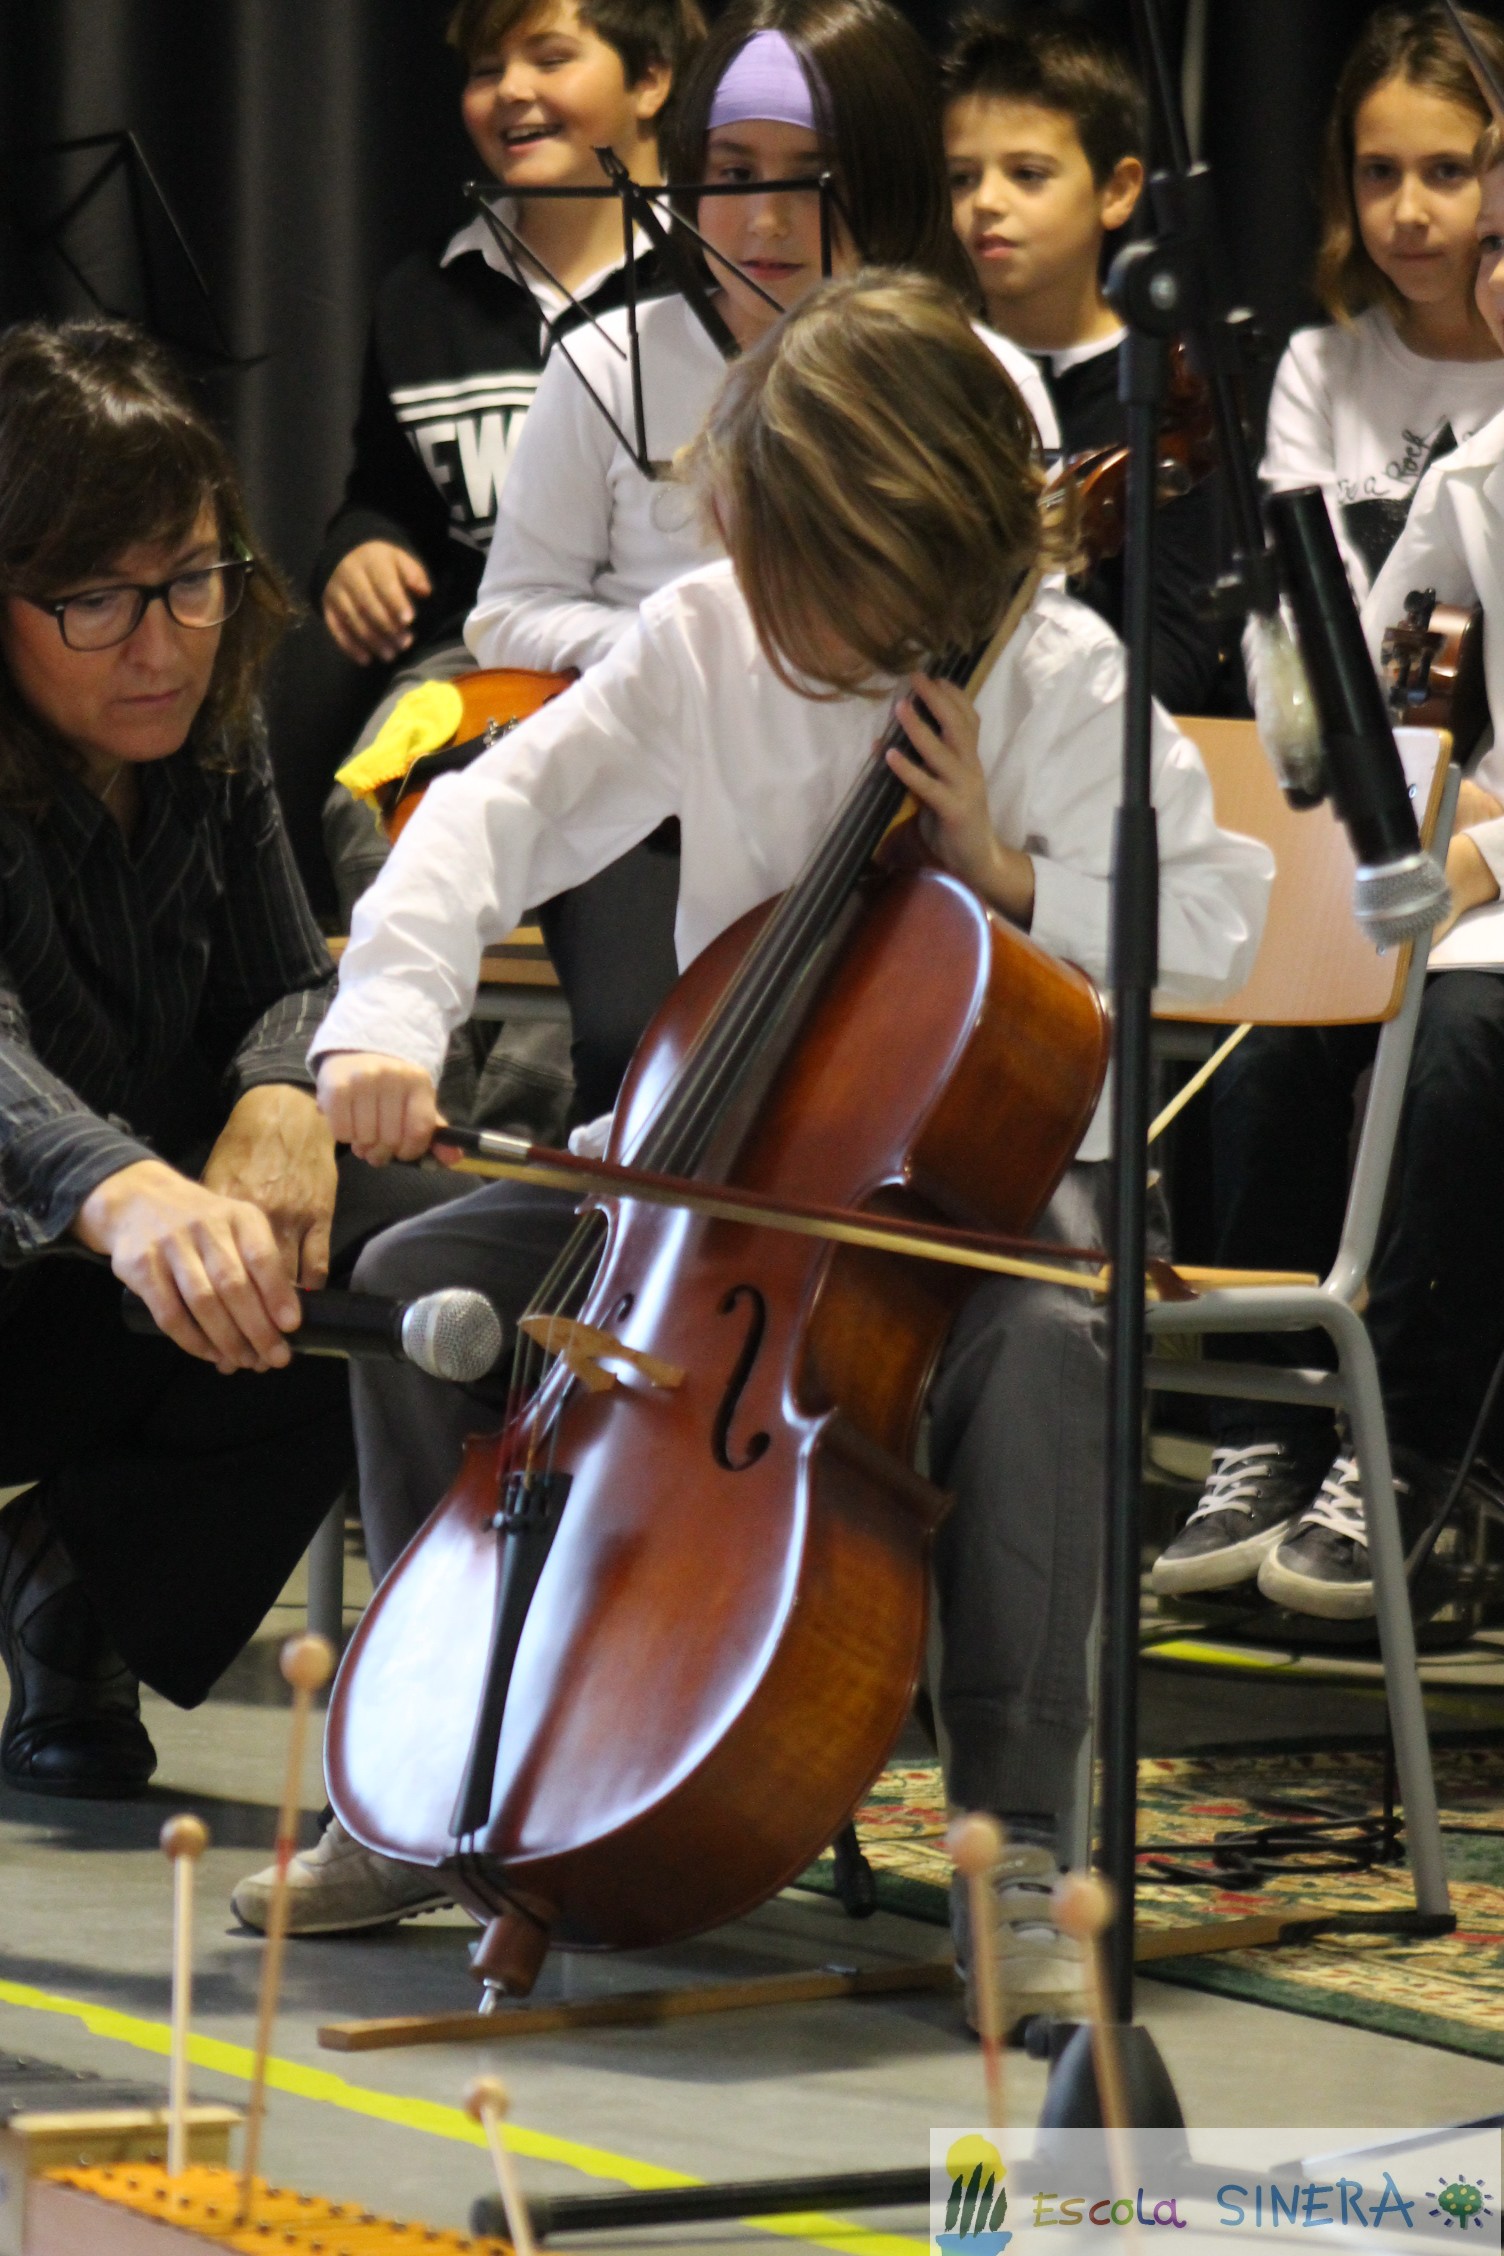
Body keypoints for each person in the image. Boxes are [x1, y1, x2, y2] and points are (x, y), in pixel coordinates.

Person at [291, 273, 1271, 2027]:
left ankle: (1020, 1845)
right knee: (420, 1280)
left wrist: (1009, 873)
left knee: (1049, 1351)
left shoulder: (1062, 679)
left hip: (976, 1196)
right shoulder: (706, 637)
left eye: (790, 568)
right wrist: (384, 1025)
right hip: (709, 1172)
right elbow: (494, 812)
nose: (752, 600)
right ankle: (436, 1775)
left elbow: (1214, 923)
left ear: (910, 542)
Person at [0, 320, 472, 1803]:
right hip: (35, 1266)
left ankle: (77, 1585)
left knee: (414, 1237)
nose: (160, 645)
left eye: (193, 580)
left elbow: (285, 974)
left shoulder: (209, 721)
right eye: (93, 599)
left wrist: (280, 1089)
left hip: (120, 1290)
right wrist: (125, 1188)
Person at [1151, 133, 1504, 1622]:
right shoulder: (1476, 476)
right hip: (1481, 874)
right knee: (1277, 1024)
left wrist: (1475, 847)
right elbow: (1385, 695)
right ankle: (1269, 1425)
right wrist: (1397, 798)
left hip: (1495, 887)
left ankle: (1412, 1446)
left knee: (1465, 1038)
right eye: (1501, 251)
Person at [317, 0, 704, 933]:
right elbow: (385, 493)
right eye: (487, 69)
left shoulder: (719, 282)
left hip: (672, 651)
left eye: (551, 58)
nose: (511, 91)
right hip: (486, 656)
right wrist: (363, 546)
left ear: (651, 80)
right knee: (376, 810)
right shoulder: (425, 295)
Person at [942, 15, 1226, 715]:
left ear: (1118, 191)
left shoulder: (1173, 394)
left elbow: (1175, 657)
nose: (986, 202)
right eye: (961, 178)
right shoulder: (930, 377)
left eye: (1027, 175)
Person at [1261, 3, 1504, 607]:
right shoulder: (1321, 368)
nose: (1407, 212)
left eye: (1447, 171)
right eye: (1380, 172)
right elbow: (1300, 605)